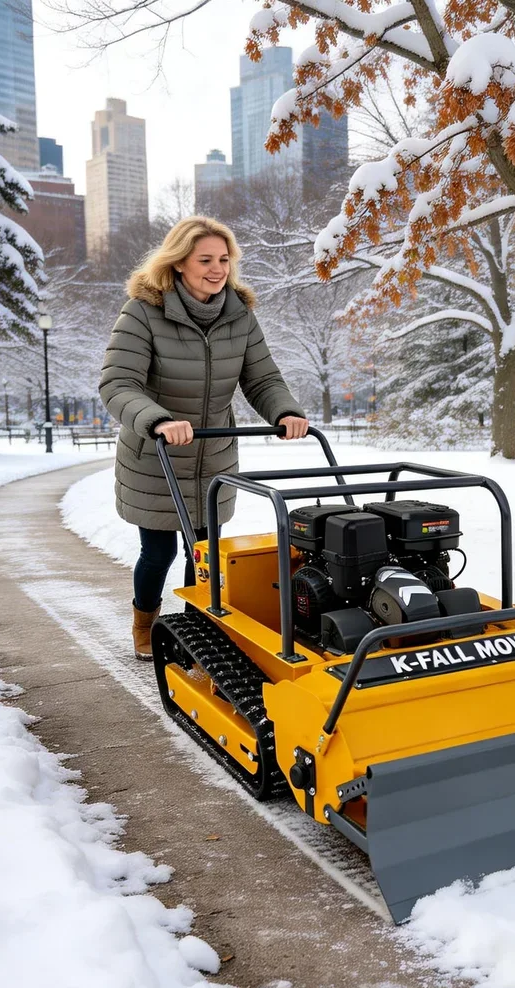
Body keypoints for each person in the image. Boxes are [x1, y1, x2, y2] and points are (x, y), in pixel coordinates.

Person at [99, 216, 309, 659]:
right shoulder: (144, 311)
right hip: (156, 455)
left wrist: (285, 410)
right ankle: (145, 620)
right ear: (178, 264)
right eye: (206, 259)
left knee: (205, 553)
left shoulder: (239, 313)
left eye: (224, 259)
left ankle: (202, 628)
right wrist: (157, 420)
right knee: (157, 552)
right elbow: (118, 384)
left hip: (212, 455)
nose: (218, 269)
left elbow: (263, 378)